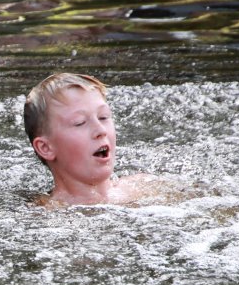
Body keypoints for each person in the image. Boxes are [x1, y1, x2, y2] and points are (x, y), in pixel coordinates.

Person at [24, 73, 153, 207]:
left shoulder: (145, 187)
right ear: (46, 148)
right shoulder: (44, 214)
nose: (100, 130)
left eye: (103, 117)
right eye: (80, 123)